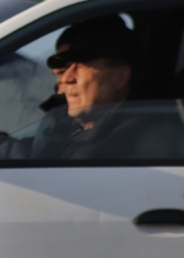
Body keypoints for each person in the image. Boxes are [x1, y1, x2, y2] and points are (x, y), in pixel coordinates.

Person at [42, 15, 144, 160]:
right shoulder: (71, 128)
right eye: (67, 67)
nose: (66, 78)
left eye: (81, 66)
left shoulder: (128, 144)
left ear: (120, 77)